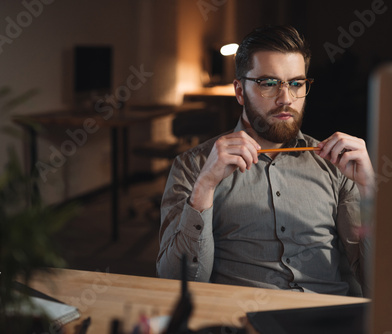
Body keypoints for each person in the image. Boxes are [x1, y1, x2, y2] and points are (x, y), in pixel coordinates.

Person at [156, 25, 375, 296]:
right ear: (239, 91)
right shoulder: (192, 167)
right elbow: (176, 284)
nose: (286, 99)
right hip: (241, 321)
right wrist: (205, 188)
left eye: (296, 83)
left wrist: (369, 190)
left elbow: (379, 282)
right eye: (269, 84)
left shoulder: (336, 165)